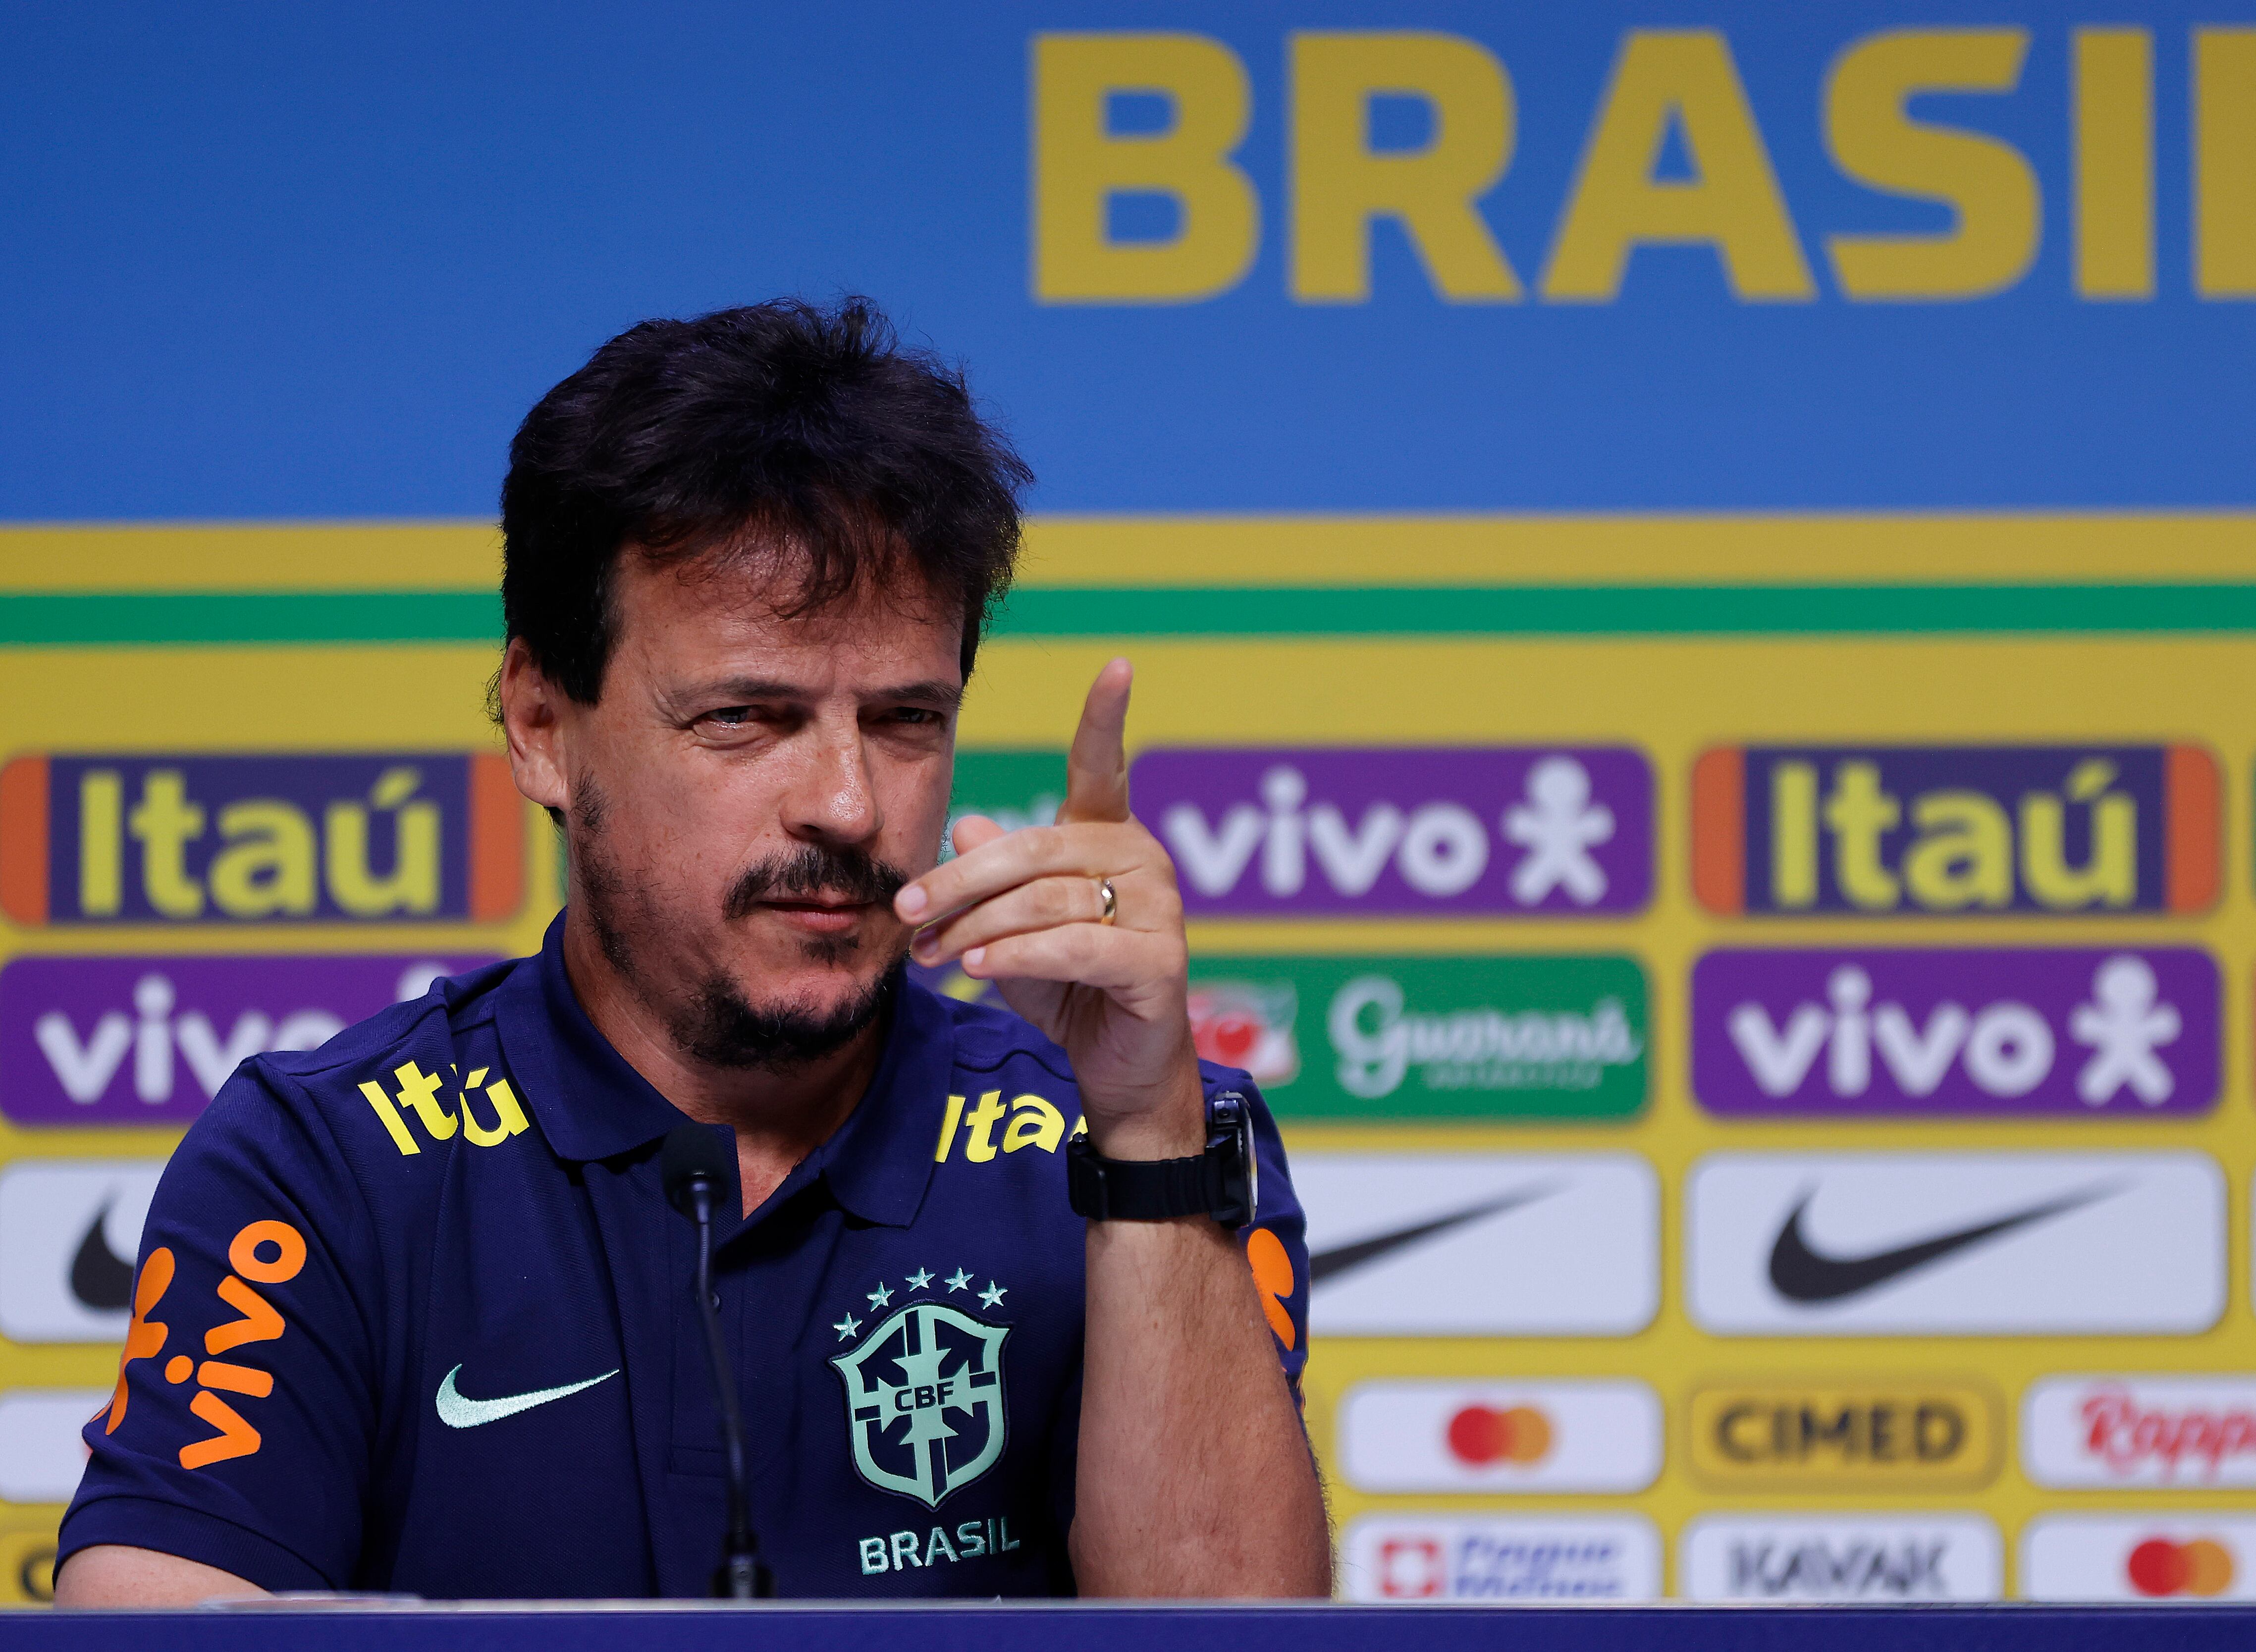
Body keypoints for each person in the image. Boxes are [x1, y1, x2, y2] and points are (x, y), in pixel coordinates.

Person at [55, 298, 1329, 1603]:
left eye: (904, 720)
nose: (846, 803)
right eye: (746, 718)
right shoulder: (327, 1164)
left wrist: (1148, 1147)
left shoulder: (1140, 1139)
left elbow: (1235, 1641)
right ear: (543, 720)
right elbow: (148, 1616)